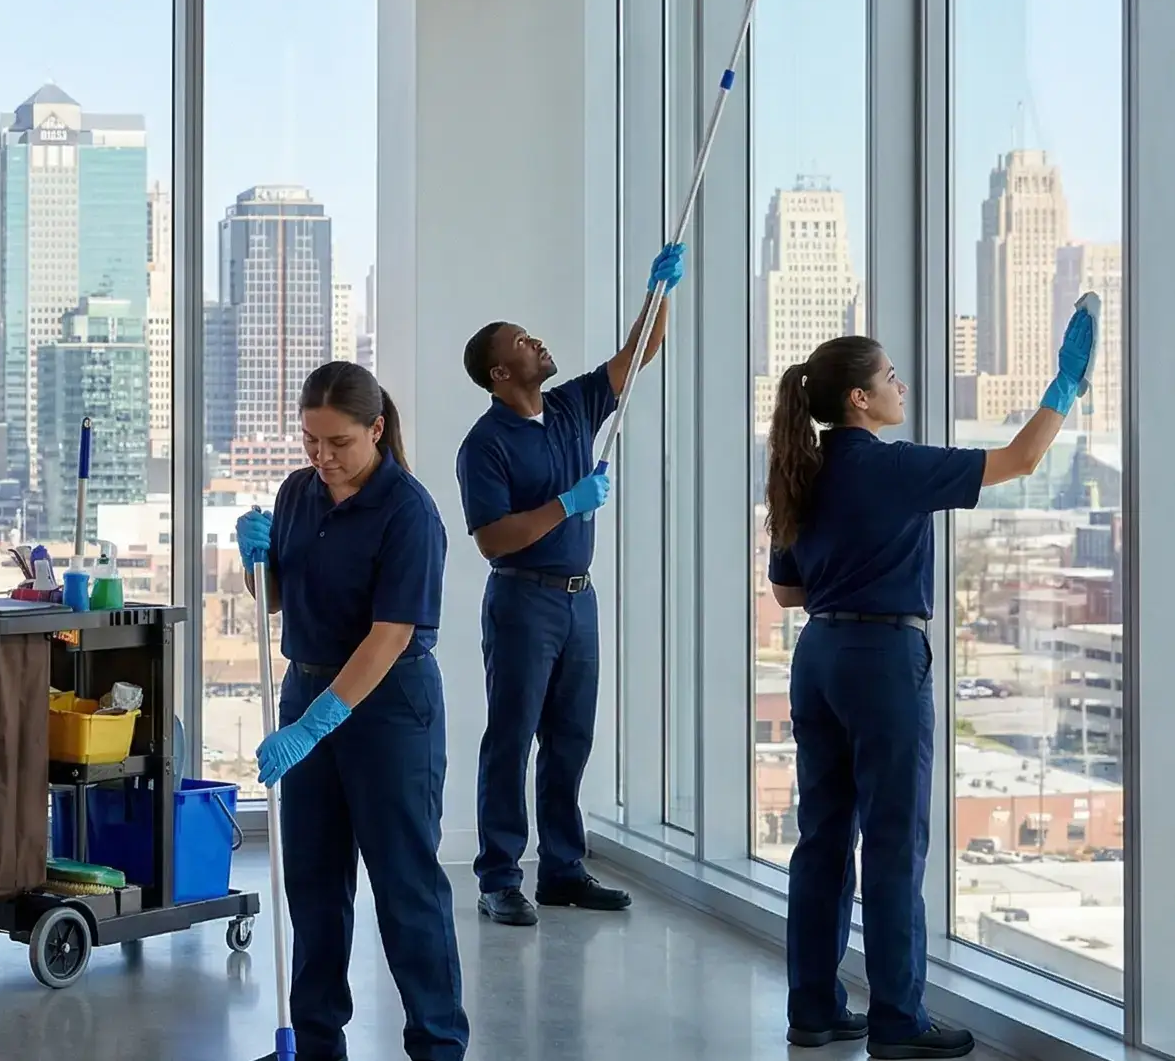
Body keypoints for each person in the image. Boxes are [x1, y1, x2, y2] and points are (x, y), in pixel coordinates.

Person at [765, 302, 1095, 1061]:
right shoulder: (893, 465)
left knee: (821, 839)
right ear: (859, 398)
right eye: (890, 376)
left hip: (818, 657)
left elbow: (785, 592)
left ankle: (813, 1010)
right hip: (883, 660)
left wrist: (846, 572)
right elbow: (1020, 460)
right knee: (891, 843)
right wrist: (1066, 384)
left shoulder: (800, 471)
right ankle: (897, 1021)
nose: (900, 385)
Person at [236, 361, 466, 1061]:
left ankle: (437, 1045)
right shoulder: (298, 492)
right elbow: (277, 600)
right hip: (306, 686)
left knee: (404, 882)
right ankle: (314, 1043)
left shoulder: (409, 512)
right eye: (310, 440)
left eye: (338, 442)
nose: (323, 456)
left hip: (388, 706)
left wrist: (313, 726)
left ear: (377, 428)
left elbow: (389, 635)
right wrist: (253, 564)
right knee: (312, 880)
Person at [455, 242, 685, 925]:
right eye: (522, 342)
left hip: (580, 600)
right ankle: (500, 877)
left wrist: (659, 293)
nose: (537, 342)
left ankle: (561, 869)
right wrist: (567, 504)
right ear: (501, 372)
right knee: (512, 738)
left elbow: (637, 354)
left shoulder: (571, 406)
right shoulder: (485, 444)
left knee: (570, 738)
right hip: (522, 600)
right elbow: (493, 538)